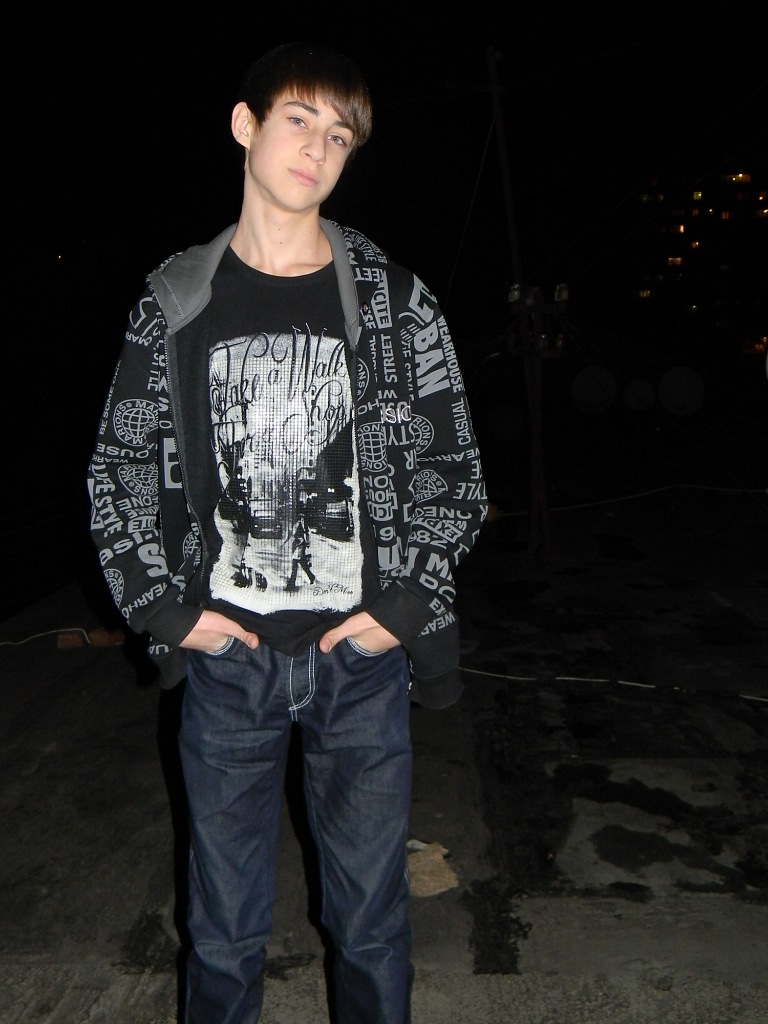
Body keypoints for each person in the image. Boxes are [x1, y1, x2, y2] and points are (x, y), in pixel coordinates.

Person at [86, 40, 487, 1024]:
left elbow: (455, 472)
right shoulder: (174, 303)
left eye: (339, 134)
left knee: (372, 928)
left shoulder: (396, 303)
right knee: (221, 937)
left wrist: (402, 607)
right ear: (246, 125)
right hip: (230, 663)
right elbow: (118, 470)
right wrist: (166, 613)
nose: (317, 147)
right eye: (299, 120)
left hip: (360, 661)